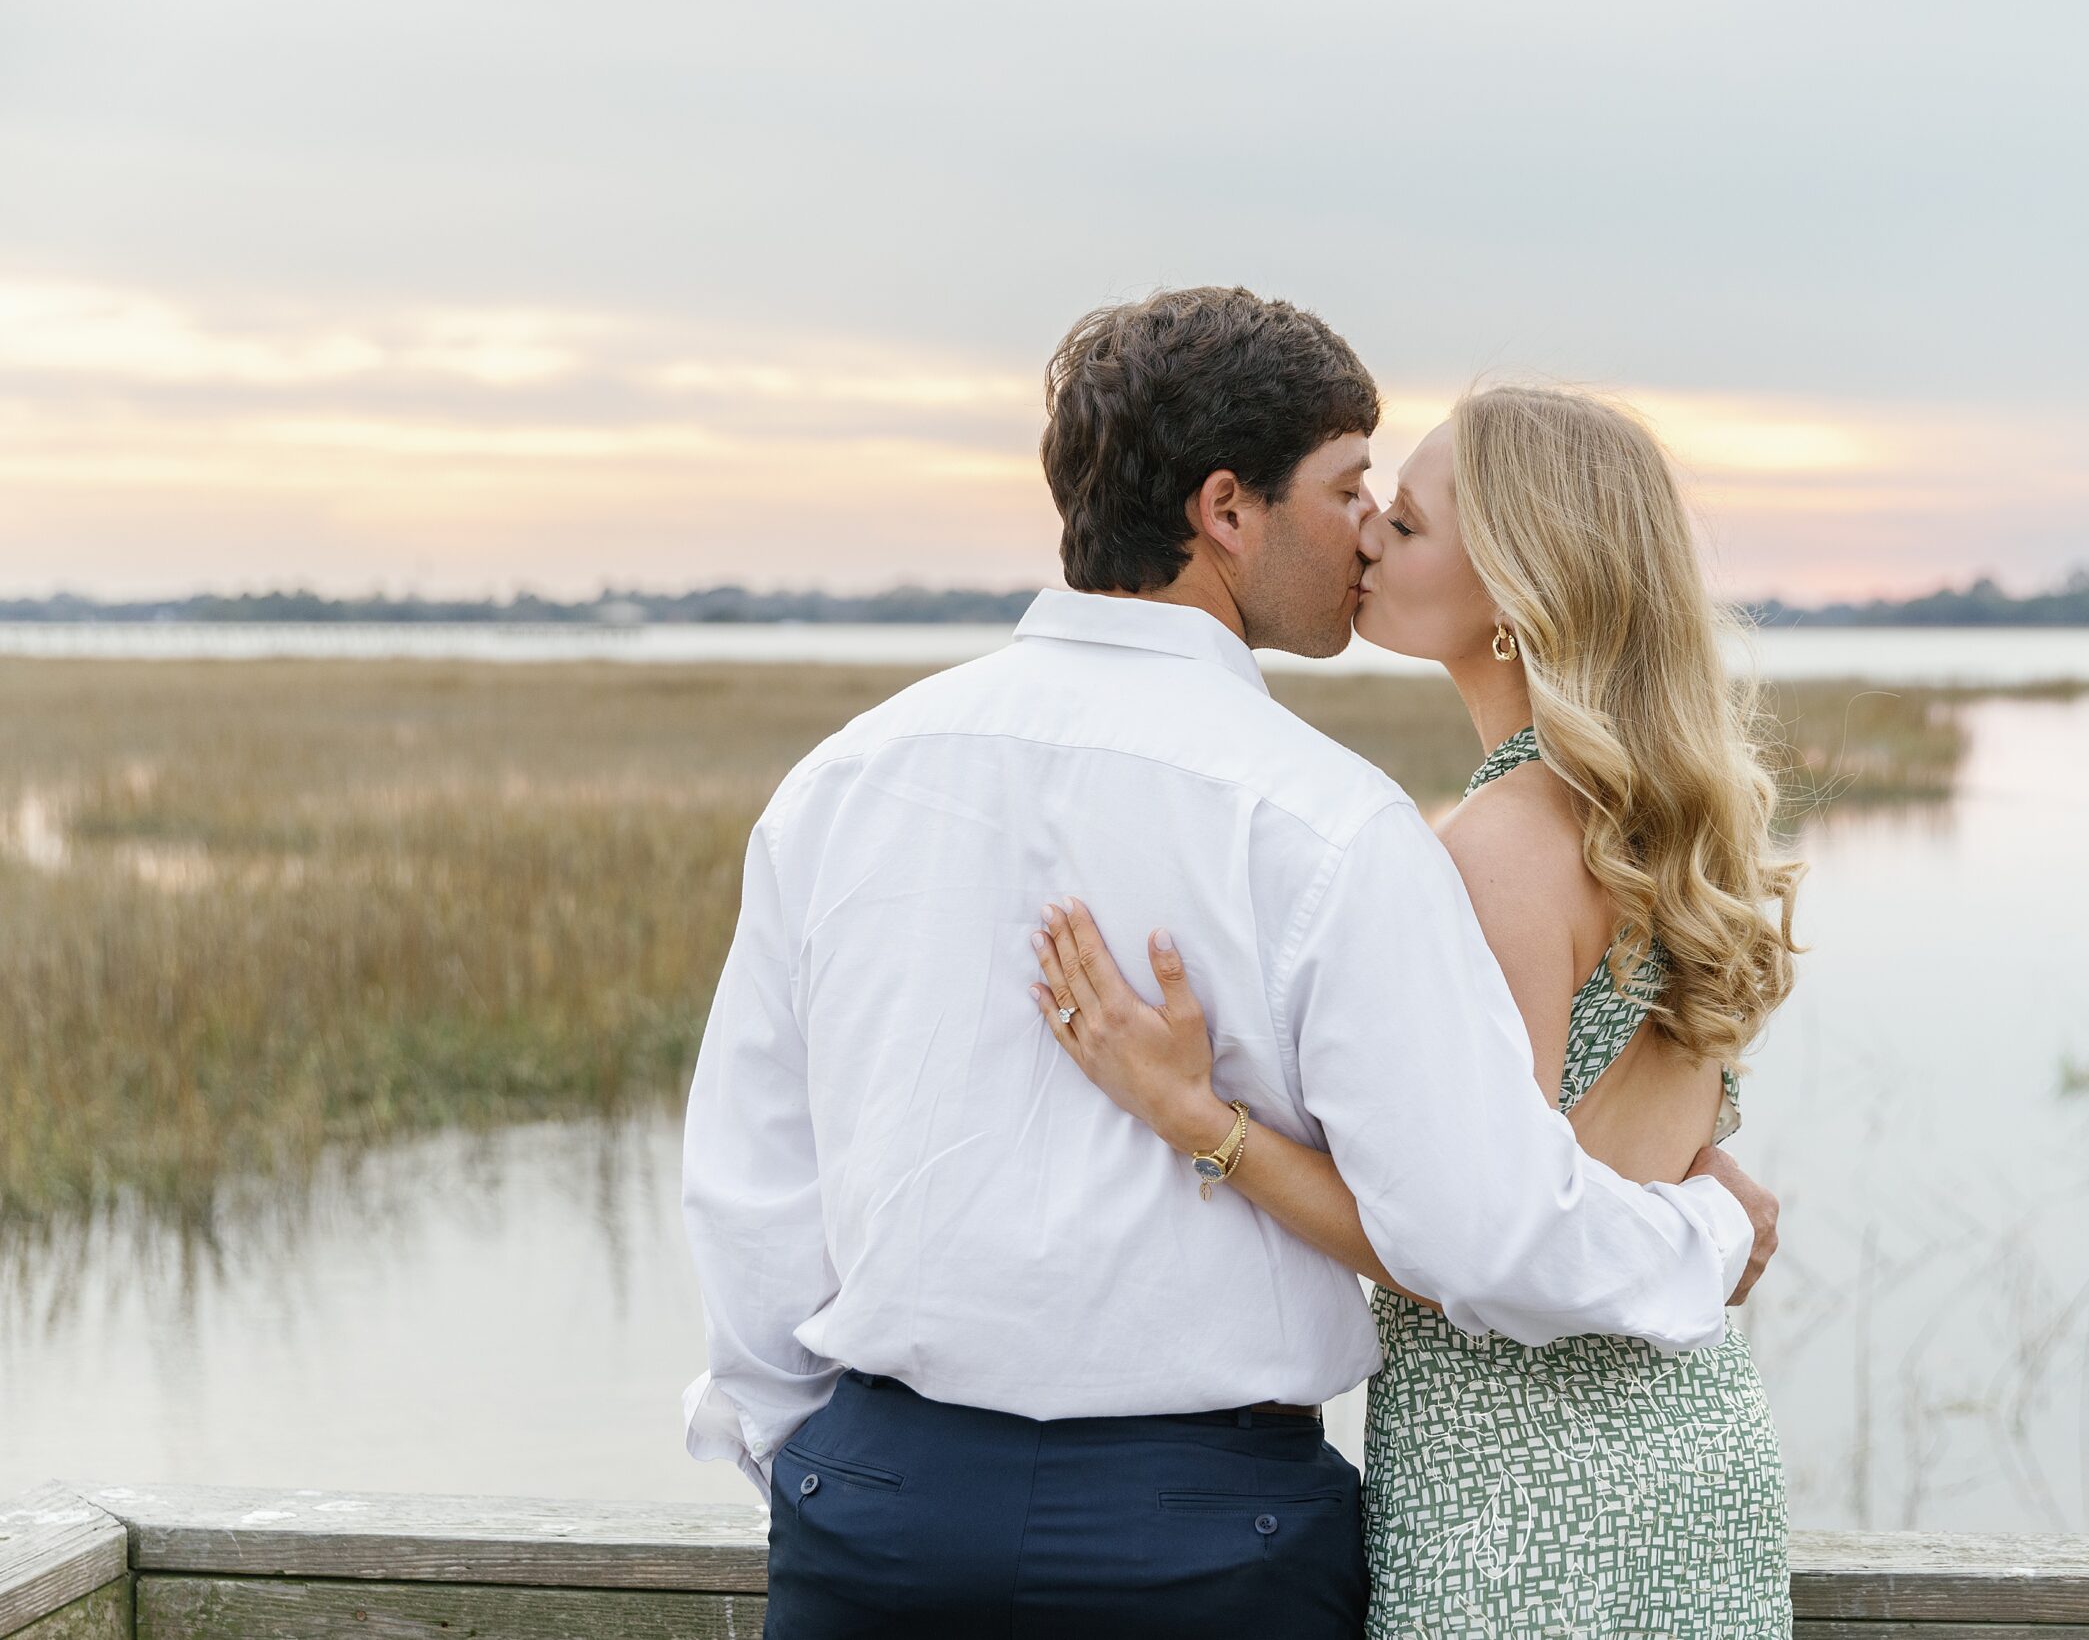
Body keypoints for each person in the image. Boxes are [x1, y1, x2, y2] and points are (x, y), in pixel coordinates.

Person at [678, 287, 1778, 1638]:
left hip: (883, 1514)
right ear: (1226, 513)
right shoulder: (1332, 821)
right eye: (1348, 488)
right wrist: (1714, 1227)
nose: (1365, 529)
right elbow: (1478, 1229)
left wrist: (814, 1465)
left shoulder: (842, 782)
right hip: (1207, 1539)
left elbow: (748, 1180)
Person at [1031, 382, 1803, 1636]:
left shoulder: (1501, 845)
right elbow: (1643, 1155)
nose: (1366, 540)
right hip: (1689, 1435)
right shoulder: (1654, 823)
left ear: (1513, 587)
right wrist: (1711, 1216)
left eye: (1407, 523)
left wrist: (1198, 1118)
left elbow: (1468, 1247)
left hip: (1526, 1478)